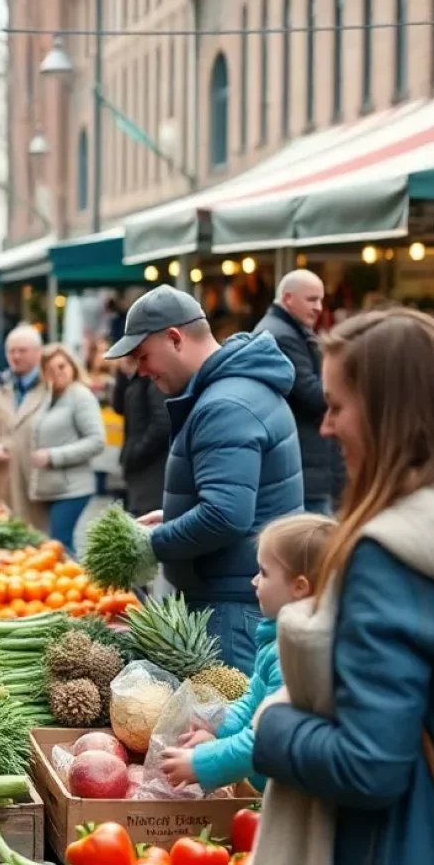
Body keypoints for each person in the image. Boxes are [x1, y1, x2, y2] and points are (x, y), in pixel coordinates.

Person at [244, 308, 434, 865]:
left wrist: (273, 726)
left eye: (339, 406)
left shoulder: (387, 556)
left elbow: (369, 766)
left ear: (392, 414)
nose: (326, 425)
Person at [105, 284, 303, 674]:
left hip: (231, 608)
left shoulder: (225, 405)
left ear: (175, 338)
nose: (141, 372)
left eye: (143, 356)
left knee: (222, 723)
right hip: (237, 597)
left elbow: (226, 514)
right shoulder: (231, 391)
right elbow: (232, 496)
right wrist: (175, 515)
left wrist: (152, 543)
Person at [159, 512, 335, 793]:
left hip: (288, 792)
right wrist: (216, 726)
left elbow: (266, 737)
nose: (254, 581)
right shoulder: (278, 637)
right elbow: (252, 700)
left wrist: (203, 763)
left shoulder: (297, 655)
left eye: (264, 573)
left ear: (300, 587)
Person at [255, 270, 340, 514]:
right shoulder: (283, 335)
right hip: (303, 464)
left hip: (302, 462)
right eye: (311, 299)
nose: (319, 307)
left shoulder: (285, 330)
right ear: (288, 298)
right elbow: (313, 395)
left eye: (321, 300)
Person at [29, 345, 106, 554]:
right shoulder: (49, 398)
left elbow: (97, 441)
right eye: (50, 369)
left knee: (59, 546)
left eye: (62, 366)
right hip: (51, 488)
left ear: (72, 366)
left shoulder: (80, 396)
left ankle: (79, 584)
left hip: (73, 487)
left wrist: (54, 456)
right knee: (58, 546)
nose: (58, 373)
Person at [0, 324, 50, 530]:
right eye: (11, 351)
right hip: (4, 476)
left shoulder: (51, 385)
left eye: (22, 351)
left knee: (41, 539)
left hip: (37, 479)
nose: (16, 356)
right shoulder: (0, 385)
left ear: (38, 352)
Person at [112, 355, 170, 517]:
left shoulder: (153, 378)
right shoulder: (137, 378)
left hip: (152, 471)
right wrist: (122, 375)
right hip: (139, 470)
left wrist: (135, 453)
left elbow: (162, 424)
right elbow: (118, 407)